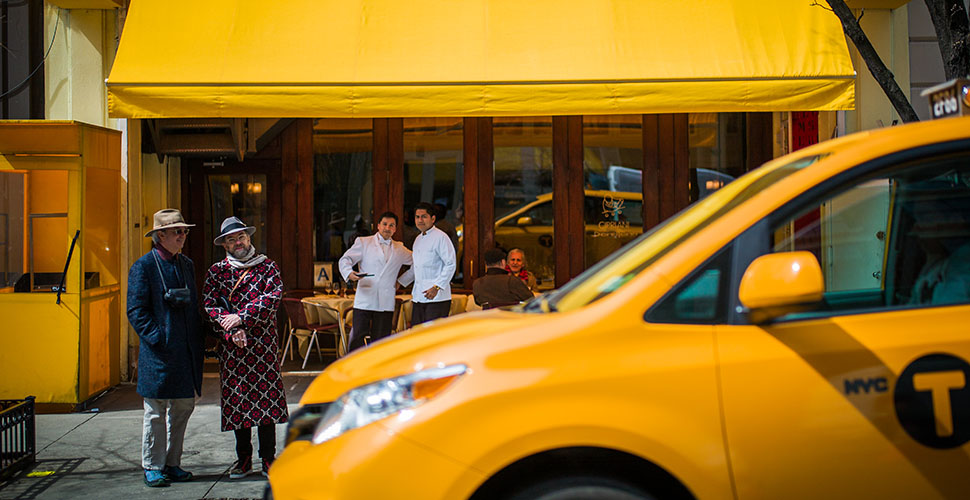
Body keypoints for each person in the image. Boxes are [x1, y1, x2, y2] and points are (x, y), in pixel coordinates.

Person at [202, 216, 288, 479]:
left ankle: (268, 458)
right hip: (233, 350)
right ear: (224, 245)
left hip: (263, 348)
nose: (237, 242)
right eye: (231, 239)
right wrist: (231, 329)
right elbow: (209, 306)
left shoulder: (267, 267)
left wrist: (242, 317)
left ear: (249, 238)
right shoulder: (217, 272)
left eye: (241, 237)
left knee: (266, 406)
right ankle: (243, 459)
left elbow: (272, 298)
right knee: (239, 405)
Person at [126, 209, 203, 488]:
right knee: (156, 411)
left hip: (185, 354)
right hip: (158, 354)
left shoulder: (187, 265)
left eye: (184, 231)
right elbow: (135, 310)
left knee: (183, 408)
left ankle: (173, 463)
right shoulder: (144, 266)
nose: (183, 236)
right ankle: (153, 465)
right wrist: (158, 338)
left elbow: (193, 306)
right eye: (177, 231)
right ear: (161, 235)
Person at [339, 211, 413, 351]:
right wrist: (350, 273)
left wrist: (402, 281)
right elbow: (345, 259)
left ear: (395, 229)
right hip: (365, 298)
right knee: (358, 337)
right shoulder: (363, 242)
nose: (387, 228)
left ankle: (377, 371)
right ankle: (354, 368)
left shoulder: (400, 248)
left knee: (381, 341)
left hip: (385, 301)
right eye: (384, 224)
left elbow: (418, 262)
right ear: (378, 226)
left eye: (391, 225)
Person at [401, 202, 456, 325]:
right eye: (417, 217)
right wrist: (399, 283)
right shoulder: (418, 239)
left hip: (437, 298)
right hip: (419, 297)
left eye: (424, 216)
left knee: (433, 338)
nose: (420, 220)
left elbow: (450, 264)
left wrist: (437, 286)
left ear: (433, 219)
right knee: (418, 335)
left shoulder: (441, 237)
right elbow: (416, 267)